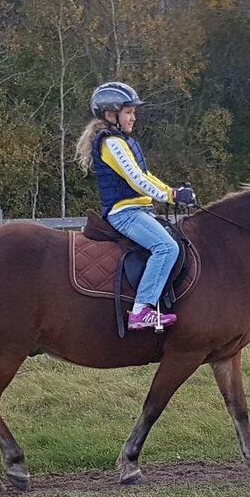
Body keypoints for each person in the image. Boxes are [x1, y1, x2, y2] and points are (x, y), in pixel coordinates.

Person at [74, 81, 196, 331]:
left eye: (133, 112)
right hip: (125, 214)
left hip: (139, 210)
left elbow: (146, 176)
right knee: (166, 248)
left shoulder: (123, 141)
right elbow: (137, 180)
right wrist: (172, 196)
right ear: (111, 114)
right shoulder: (111, 143)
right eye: (128, 112)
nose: (134, 117)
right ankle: (141, 310)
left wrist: (173, 192)